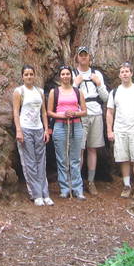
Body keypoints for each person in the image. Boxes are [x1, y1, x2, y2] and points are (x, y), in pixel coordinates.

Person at [106, 62, 134, 200]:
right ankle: (126, 185)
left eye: (127, 71)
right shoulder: (115, 92)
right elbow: (109, 112)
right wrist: (109, 130)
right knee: (123, 159)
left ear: (131, 73)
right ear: (119, 75)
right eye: (122, 72)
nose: (125, 74)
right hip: (120, 130)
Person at [13, 65, 53, 206]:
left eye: (31, 74)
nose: (29, 76)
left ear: (34, 75)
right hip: (25, 128)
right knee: (29, 162)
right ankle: (36, 194)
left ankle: (45, 193)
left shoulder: (40, 91)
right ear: (22, 76)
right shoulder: (19, 91)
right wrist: (19, 130)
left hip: (38, 128)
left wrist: (46, 129)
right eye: (26, 74)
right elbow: (16, 112)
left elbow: (43, 112)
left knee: (41, 161)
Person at [47, 65, 88, 199]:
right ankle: (65, 188)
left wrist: (74, 113)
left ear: (71, 76)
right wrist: (62, 115)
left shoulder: (77, 92)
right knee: (62, 159)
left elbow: (84, 111)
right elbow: (49, 112)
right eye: (63, 74)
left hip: (76, 126)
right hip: (60, 126)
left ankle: (77, 188)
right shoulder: (55, 92)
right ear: (60, 76)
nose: (65, 76)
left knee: (75, 159)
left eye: (67, 74)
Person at [72, 46, 108, 196]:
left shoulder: (96, 74)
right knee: (79, 149)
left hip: (96, 113)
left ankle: (91, 181)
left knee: (92, 149)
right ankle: (77, 182)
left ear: (89, 58)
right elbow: (67, 97)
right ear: (77, 58)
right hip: (80, 114)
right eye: (81, 55)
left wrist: (98, 84)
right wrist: (75, 84)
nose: (84, 57)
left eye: (86, 55)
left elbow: (106, 98)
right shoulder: (73, 74)